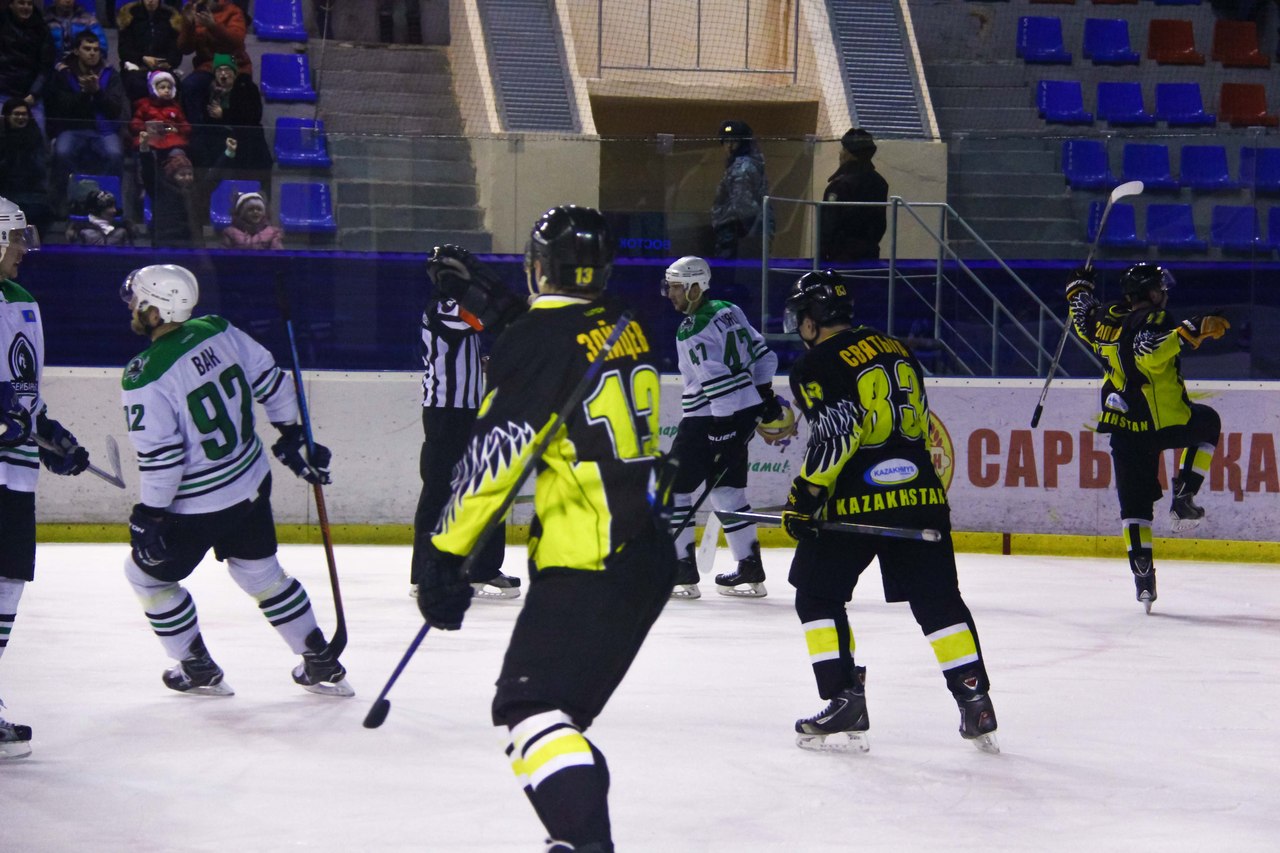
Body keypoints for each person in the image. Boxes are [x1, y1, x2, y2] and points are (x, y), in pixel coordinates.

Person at [416, 206, 678, 851]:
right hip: (648, 551)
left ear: (539, 266)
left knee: (529, 710)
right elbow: (563, 337)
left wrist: (442, 556)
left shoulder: (537, 340)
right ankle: (577, 835)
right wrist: (499, 301)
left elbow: (495, 457)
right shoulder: (626, 320)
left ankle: (586, 843)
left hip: (589, 561)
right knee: (559, 724)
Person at [780, 269, 998, 755]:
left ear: (812, 318)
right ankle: (975, 701)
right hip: (921, 496)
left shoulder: (815, 363)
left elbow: (837, 436)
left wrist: (804, 496)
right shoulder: (896, 348)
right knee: (939, 602)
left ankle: (844, 699)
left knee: (816, 595)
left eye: (801, 315)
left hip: (855, 503)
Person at [118, 263, 352, 698]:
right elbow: (271, 382)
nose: (133, 307)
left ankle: (196, 667)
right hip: (250, 481)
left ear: (155, 310)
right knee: (261, 573)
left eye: (138, 302)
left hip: (197, 504)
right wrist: (291, 433)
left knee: (146, 577)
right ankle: (319, 659)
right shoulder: (218, 329)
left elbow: (163, 457)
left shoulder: (144, 373)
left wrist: (150, 513)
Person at [1065, 264, 1229, 612]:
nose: (1163, 293)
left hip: (1123, 427)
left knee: (1134, 508)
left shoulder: (1104, 319)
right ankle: (1184, 495)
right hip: (1163, 422)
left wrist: (1079, 286)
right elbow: (1148, 353)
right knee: (1208, 423)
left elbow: (1081, 317)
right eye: (1159, 288)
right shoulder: (1154, 319)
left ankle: (1143, 579)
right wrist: (1189, 330)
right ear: (1149, 293)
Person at [0, 196, 91, 759]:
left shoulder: (22, 303)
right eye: (15, 238)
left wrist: (49, 435)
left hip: (14, 473)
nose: (22, 250)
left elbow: (23, 395)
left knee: (8, 581)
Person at [661, 255, 780, 599]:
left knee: (672, 489)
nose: (670, 293)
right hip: (743, 412)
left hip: (708, 418)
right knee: (728, 492)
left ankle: (681, 570)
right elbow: (765, 356)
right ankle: (749, 567)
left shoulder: (691, 329)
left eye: (676, 287)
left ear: (696, 287)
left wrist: (722, 428)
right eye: (669, 286)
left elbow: (716, 384)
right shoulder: (729, 309)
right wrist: (764, 393)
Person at [408, 247, 519, 601]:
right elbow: (486, 318)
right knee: (439, 491)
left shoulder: (450, 308)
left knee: (487, 483)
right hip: (446, 412)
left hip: (468, 410)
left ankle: (483, 568)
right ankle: (426, 574)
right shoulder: (443, 308)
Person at [43, 30, 125, 203]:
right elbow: (61, 108)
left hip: (103, 130)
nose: (92, 53)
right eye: (87, 49)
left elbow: (116, 109)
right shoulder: (64, 74)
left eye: (96, 49)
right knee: (62, 153)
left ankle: (107, 201)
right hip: (72, 128)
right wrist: (84, 93)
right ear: (76, 51)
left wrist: (98, 92)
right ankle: (69, 200)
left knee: (115, 154)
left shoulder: (110, 74)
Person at [176, 1, 250, 129]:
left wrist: (213, 26)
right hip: (207, 65)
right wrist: (188, 24)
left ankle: (234, 135)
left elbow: (237, 42)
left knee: (238, 89)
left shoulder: (232, 11)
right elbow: (185, 49)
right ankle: (198, 132)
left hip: (233, 63)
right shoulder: (194, 10)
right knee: (190, 86)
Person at [819, 127, 889, 264]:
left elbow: (829, 225)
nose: (840, 153)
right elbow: (879, 225)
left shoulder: (840, 185)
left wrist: (822, 256)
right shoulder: (880, 183)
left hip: (840, 257)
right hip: (870, 254)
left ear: (850, 154)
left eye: (843, 149)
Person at [710, 119, 769, 260]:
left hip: (734, 230)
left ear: (743, 143)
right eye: (726, 141)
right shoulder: (747, 164)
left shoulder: (741, 168)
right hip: (739, 230)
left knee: (726, 269)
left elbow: (743, 204)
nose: (729, 146)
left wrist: (748, 232)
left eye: (734, 141)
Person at [0, 99, 54, 237]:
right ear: (7, 116)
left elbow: (40, 168)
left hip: (31, 191)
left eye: (24, 114)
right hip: (5, 190)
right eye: (16, 114)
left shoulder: (35, 137)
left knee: (39, 211)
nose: (21, 117)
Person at [0, 0, 56, 134]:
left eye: (29, 4)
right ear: (11, 5)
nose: (26, 7)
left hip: (31, 96)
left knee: (39, 134)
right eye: (21, 3)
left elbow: (46, 67)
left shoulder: (42, 29)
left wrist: (34, 94)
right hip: (3, 93)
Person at [116, 0, 186, 103]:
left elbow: (176, 53)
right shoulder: (130, 16)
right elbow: (124, 50)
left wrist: (166, 63)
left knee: (170, 85)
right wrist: (142, 58)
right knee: (137, 85)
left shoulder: (170, 17)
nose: (151, 1)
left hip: (163, 67)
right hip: (136, 67)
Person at [128, 69, 191, 157]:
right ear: (154, 89)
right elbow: (135, 125)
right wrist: (146, 127)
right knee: (144, 149)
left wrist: (177, 129)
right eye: (162, 87)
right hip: (149, 138)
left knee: (178, 154)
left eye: (169, 88)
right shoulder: (145, 106)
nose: (167, 90)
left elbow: (185, 125)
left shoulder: (175, 108)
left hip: (172, 140)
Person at [66, 186, 133, 245]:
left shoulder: (122, 231)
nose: (114, 210)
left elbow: (129, 253)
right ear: (98, 210)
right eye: (109, 207)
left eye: (114, 207)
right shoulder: (82, 232)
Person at [43, 0, 108, 60]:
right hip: (53, 65)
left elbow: (102, 48)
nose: (68, 1)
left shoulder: (88, 20)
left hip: (83, 64)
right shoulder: (45, 22)